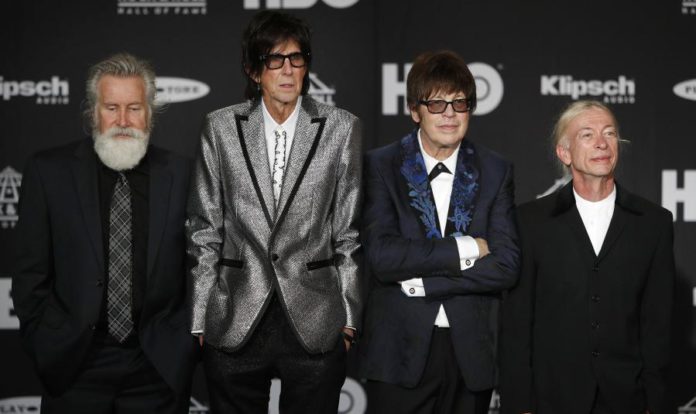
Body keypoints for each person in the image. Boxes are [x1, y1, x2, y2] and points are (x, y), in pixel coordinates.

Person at [186, 10, 363, 414]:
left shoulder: (341, 128)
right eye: (274, 59)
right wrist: (201, 316)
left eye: (296, 58)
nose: (287, 69)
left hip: (316, 317)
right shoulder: (220, 127)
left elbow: (348, 233)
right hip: (235, 316)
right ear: (254, 70)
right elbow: (203, 229)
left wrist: (349, 319)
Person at [12, 53, 198, 413]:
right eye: (111, 107)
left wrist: (184, 345)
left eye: (134, 108)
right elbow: (30, 274)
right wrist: (44, 341)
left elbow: (198, 266)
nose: (123, 121)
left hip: (157, 369)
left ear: (150, 113)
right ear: (93, 112)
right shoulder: (48, 172)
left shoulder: (183, 174)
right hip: (74, 366)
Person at [357, 50, 520, 414]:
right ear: (415, 110)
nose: (449, 114)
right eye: (436, 104)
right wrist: (466, 248)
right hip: (398, 352)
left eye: (459, 103)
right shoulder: (381, 165)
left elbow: (506, 265)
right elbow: (384, 257)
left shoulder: (495, 169)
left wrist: (427, 283)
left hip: (471, 355)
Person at [500, 100, 675, 414]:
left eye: (609, 133)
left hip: (627, 399)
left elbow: (658, 326)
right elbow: (516, 324)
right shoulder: (530, 222)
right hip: (552, 399)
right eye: (587, 135)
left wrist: (656, 402)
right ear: (564, 153)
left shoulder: (654, 222)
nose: (601, 143)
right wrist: (519, 404)